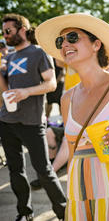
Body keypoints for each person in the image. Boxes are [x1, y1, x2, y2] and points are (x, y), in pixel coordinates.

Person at [35, 13, 109, 220]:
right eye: (60, 41)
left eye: (72, 37)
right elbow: (72, 148)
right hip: (82, 192)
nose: (64, 44)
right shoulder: (67, 99)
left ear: (96, 45)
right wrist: (65, 183)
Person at [0, 13, 66, 221]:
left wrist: (26, 92)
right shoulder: (9, 57)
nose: (5, 36)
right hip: (7, 121)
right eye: (3, 32)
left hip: (32, 121)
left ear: (22, 29)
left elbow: (52, 84)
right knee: (15, 171)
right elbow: (4, 91)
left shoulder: (38, 53)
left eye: (8, 31)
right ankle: (24, 213)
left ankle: (64, 212)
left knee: (44, 170)